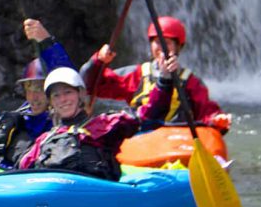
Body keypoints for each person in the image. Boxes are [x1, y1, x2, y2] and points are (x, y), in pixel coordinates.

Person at [80, 16, 230, 131]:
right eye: (157, 42)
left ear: (178, 47)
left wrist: (216, 120)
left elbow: (206, 110)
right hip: (142, 134)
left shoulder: (190, 81)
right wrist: (98, 61)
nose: (162, 48)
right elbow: (89, 85)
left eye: (168, 43)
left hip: (176, 137)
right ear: (151, 45)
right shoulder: (136, 75)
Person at [17, 67, 157, 181]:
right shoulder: (44, 140)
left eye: (68, 92)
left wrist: (163, 81)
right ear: (51, 102)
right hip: (58, 203)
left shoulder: (103, 125)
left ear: (80, 95)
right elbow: (21, 170)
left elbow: (147, 115)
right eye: (56, 96)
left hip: (98, 199)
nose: (63, 99)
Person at [0, 19, 76, 168]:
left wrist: (45, 41)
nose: (33, 96)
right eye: (29, 87)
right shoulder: (17, 120)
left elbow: (67, 76)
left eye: (39, 88)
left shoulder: (63, 118)